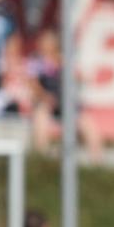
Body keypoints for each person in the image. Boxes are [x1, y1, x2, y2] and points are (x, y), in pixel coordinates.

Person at [27, 30, 104, 162]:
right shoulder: (36, 61)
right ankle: (41, 157)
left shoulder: (63, 60)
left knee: (87, 124)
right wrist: (45, 96)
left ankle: (97, 161)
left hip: (66, 102)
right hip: (47, 101)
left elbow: (78, 76)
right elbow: (33, 84)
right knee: (41, 117)